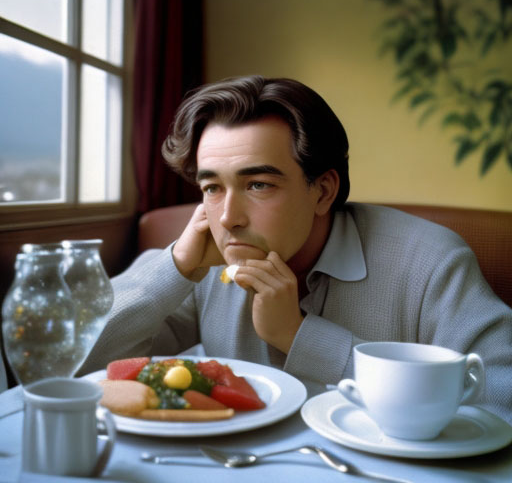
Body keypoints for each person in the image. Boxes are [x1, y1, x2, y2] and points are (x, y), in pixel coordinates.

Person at [81, 75, 512, 424]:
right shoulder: (202, 263)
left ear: (323, 191)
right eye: (212, 187)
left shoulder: (431, 262)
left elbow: (501, 403)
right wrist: (172, 269)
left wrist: (300, 336)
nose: (229, 216)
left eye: (258, 185)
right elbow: (72, 370)